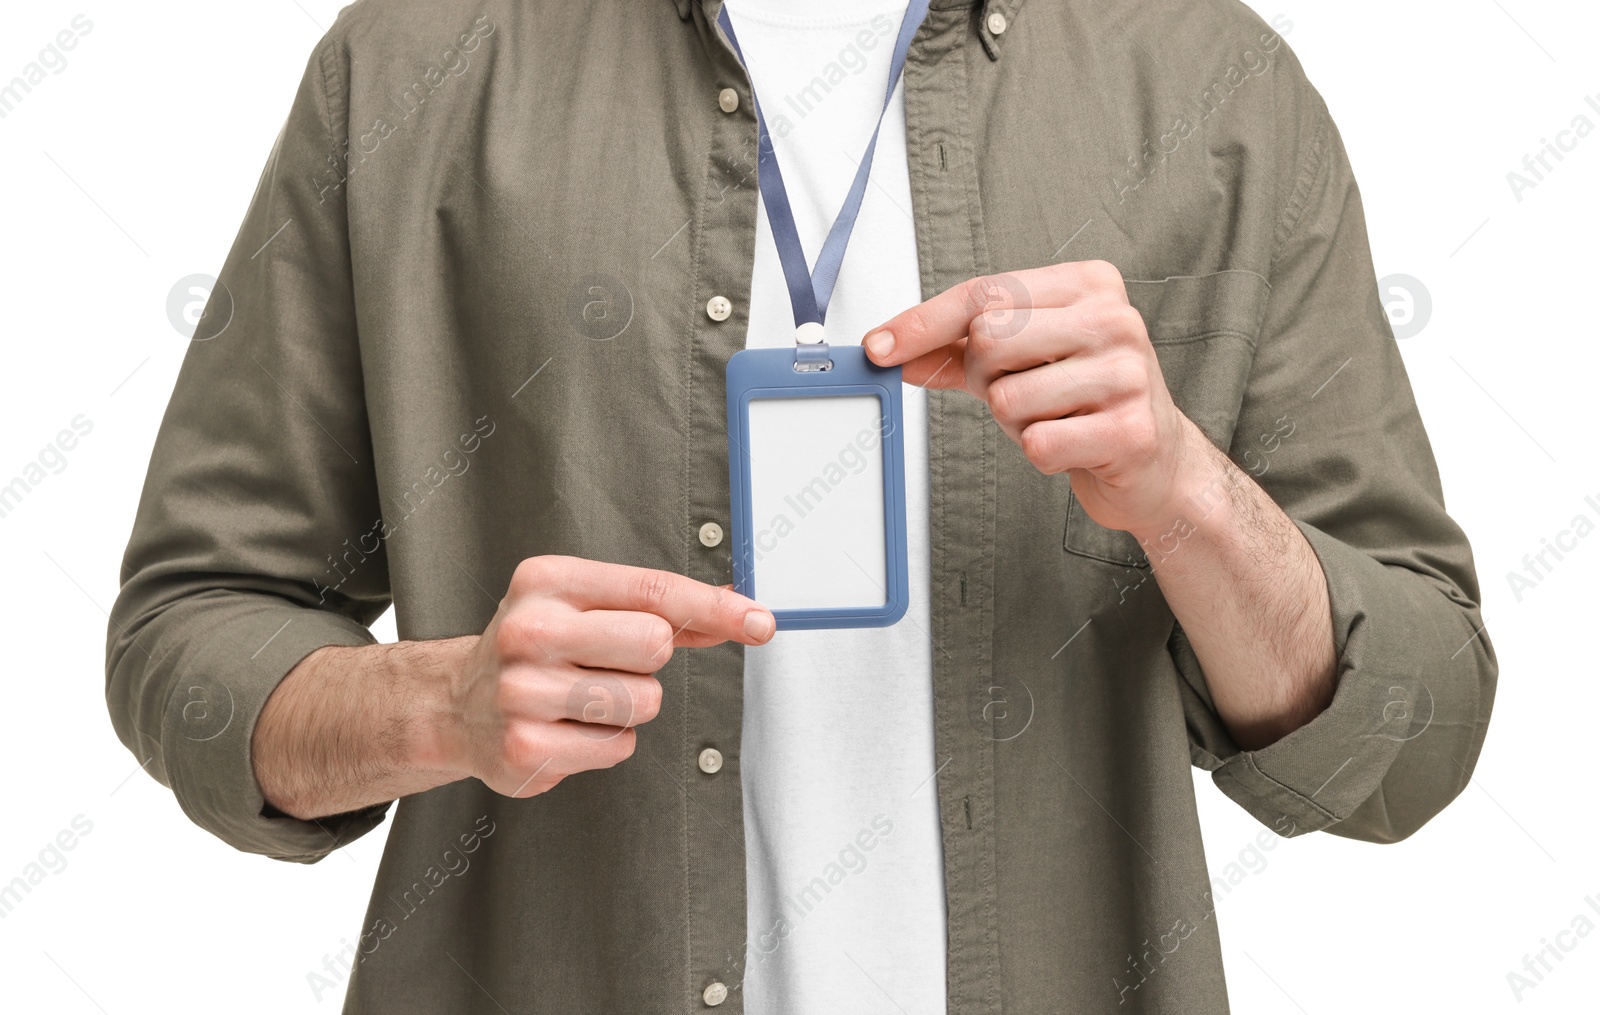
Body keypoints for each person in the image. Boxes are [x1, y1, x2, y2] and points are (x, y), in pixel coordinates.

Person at [107, 0, 1496, 1011]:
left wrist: (1183, 491)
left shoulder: (1216, 86)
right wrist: (449, 702)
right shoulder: (411, 63)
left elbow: (1417, 731)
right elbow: (189, 633)